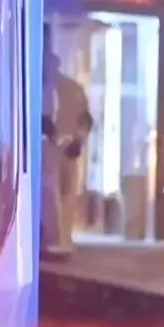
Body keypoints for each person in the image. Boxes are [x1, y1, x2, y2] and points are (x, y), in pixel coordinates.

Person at [40, 48, 93, 260]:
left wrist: (79, 141)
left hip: (66, 149)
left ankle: (62, 241)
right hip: (46, 150)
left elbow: (85, 119)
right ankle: (53, 240)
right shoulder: (37, 88)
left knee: (65, 194)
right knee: (48, 194)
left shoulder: (71, 89)